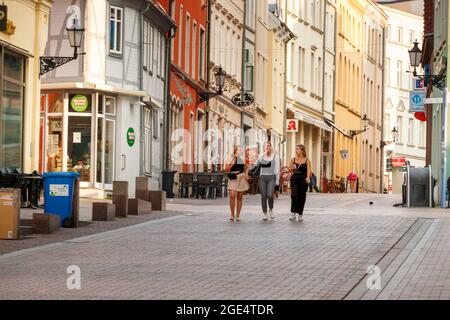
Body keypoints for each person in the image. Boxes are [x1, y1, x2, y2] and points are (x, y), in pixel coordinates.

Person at [254, 142, 280, 221]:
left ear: (271, 147)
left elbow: (277, 170)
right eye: (265, 146)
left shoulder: (275, 157)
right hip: (262, 178)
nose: (267, 147)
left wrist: (277, 182)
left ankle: (271, 209)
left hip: (271, 178)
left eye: (268, 146)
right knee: (263, 196)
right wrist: (262, 155)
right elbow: (256, 164)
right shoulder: (261, 156)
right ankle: (265, 213)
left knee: (269, 195)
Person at [225, 145, 249, 222]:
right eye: (238, 150)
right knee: (232, 195)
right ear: (235, 151)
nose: (239, 151)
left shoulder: (243, 158)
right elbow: (226, 168)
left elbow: (246, 168)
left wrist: (246, 174)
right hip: (233, 177)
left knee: (240, 196)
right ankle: (232, 214)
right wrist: (234, 161)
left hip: (241, 177)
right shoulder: (230, 158)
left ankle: (238, 215)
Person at [289, 144, 311, 222]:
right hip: (294, 179)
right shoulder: (293, 159)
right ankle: (293, 213)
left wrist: (308, 177)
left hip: (303, 180)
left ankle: (300, 214)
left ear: (302, 151)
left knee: (302, 197)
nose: (296, 150)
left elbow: (308, 170)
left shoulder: (307, 160)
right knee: (294, 195)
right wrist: (292, 168)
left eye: (297, 149)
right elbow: (290, 169)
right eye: (296, 149)